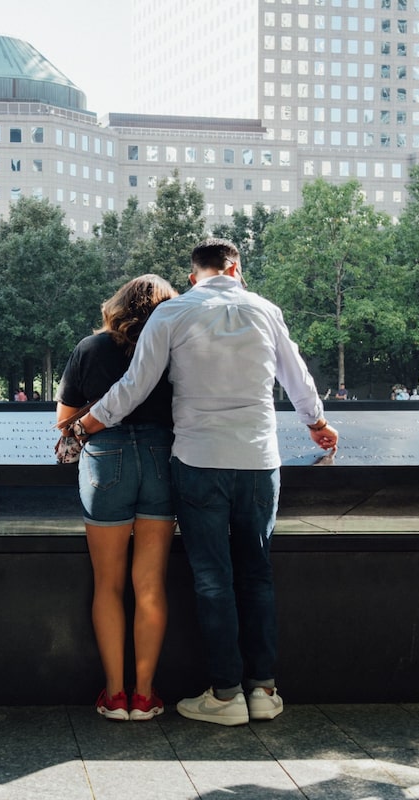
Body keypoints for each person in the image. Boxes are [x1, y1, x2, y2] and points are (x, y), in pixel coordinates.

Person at [73, 238, 338, 727]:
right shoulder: (265, 310)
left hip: (197, 459)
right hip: (259, 460)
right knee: (256, 573)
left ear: (193, 276)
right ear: (236, 269)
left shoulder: (174, 313)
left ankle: (225, 694)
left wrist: (89, 424)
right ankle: (263, 689)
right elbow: (295, 376)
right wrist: (317, 423)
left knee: (213, 579)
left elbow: (137, 383)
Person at [56, 275, 179, 722]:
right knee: (149, 585)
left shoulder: (90, 349)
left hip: (105, 457)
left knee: (108, 584)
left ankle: (114, 694)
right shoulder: (174, 347)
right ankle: (145, 694)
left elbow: (65, 418)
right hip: (162, 457)